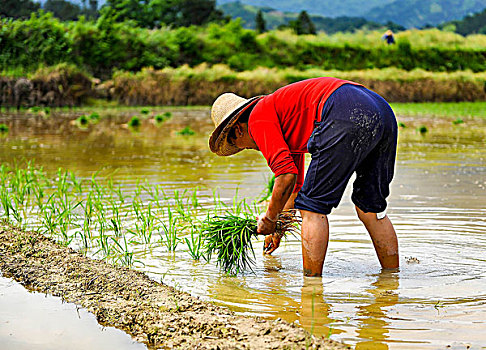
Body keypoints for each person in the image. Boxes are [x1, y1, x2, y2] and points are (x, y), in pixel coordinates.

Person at [208, 77, 399, 276]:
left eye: (242, 145)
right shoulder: (282, 115)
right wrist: (279, 227)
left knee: (311, 209)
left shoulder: (257, 118)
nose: (251, 147)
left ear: (237, 129)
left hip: (341, 111)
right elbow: (294, 185)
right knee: (370, 208)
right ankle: (392, 281)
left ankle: (312, 290)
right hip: (382, 111)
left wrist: (270, 218)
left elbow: (285, 176)